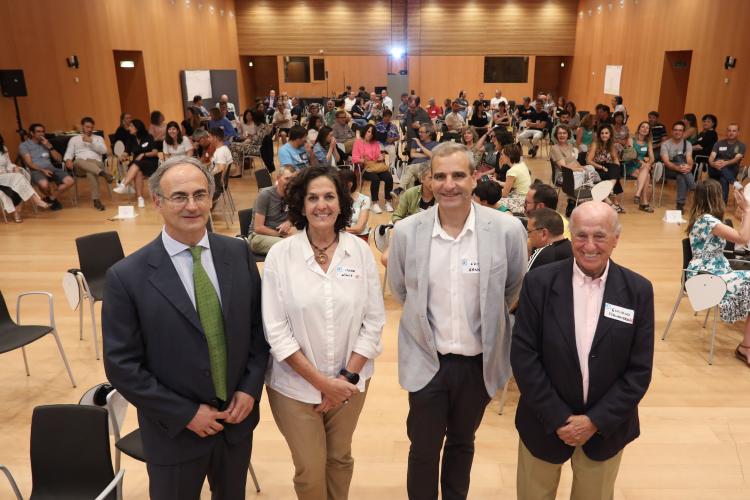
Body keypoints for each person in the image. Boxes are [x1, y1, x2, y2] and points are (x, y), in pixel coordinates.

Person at [103, 157, 269, 500]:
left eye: (199, 194)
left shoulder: (238, 253)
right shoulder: (126, 276)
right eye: (179, 196)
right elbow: (122, 365)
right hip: (174, 432)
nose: (191, 206)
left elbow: (258, 331)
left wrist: (250, 389)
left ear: (211, 198)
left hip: (235, 422)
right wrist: (185, 413)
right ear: (157, 203)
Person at [388, 141, 527, 500]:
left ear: (474, 178)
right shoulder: (406, 233)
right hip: (426, 361)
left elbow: (511, 287)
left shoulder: (507, 230)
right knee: (423, 448)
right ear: (429, 183)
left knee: (463, 443)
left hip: (478, 363)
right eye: (440, 176)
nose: (449, 184)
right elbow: (403, 291)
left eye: (458, 175)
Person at [511, 200, 654, 500]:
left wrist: (595, 421)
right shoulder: (539, 282)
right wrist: (558, 417)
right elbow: (524, 357)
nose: (590, 246)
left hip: (606, 430)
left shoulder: (638, 290)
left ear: (616, 239)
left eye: (600, 236)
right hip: (542, 423)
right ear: (570, 234)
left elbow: (638, 371)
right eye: (581, 235)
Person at [262, 165, 385, 500]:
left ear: (341, 203)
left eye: (329, 196)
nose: (321, 205)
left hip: (351, 382)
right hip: (295, 386)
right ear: (301, 205)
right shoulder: (280, 256)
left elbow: (373, 321)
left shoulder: (358, 251)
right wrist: (322, 383)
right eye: (313, 198)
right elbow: (276, 331)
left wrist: (344, 380)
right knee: (310, 467)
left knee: (339, 457)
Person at [686, 179, 750, 366]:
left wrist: (745, 212)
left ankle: (746, 345)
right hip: (705, 277)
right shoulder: (708, 220)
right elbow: (743, 238)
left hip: (713, 270)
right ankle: (746, 347)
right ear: (716, 197)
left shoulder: (705, 218)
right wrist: (747, 210)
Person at [63, 116, 113, 211]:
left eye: (91, 127)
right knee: (77, 161)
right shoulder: (74, 139)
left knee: (90, 171)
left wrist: (91, 141)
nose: (89, 129)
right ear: (82, 126)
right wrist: (68, 160)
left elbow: (104, 151)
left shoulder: (98, 138)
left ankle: (96, 200)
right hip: (80, 166)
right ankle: (103, 174)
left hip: (96, 163)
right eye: (87, 127)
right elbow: (69, 153)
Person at [19, 123, 73, 210]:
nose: (41, 134)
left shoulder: (47, 143)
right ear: (32, 133)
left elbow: (59, 159)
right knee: (44, 185)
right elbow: (29, 163)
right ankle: (52, 199)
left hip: (51, 168)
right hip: (35, 169)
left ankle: (51, 198)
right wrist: (42, 170)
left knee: (70, 181)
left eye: (43, 132)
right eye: (38, 132)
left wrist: (50, 147)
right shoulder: (24, 145)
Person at [0, 134, 50, 222]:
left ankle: (17, 212)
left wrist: (14, 167)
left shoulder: (3, 148)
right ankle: (36, 200)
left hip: (6, 176)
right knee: (20, 178)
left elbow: (8, 164)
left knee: (19, 178)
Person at [249, 166, 297, 255]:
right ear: (278, 178)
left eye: (293, 179)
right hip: (259, 237)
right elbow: (258, 228)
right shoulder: (265, 195)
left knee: (308, 240)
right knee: (291, 246)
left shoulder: (293, 194)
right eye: (287, 179)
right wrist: (282, 235)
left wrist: (289, 222)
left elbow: (297, 215)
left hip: (281, 235)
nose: (290, 182)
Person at [113, 118, 160, 208]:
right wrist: (122, 156)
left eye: (131, 126)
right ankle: (140, 198)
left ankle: (124, 184)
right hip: (137, 163)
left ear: (137, 128)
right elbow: (126, 152)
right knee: (138, 172)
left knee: (137, 164)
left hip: (150, 162)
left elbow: (155, 152)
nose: (129, 128)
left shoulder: (148, 137)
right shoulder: (130, 138)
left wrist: (143, 154)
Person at [353, 123, 394, 214]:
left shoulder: (375, 143)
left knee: (389, 178)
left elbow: (377, 156)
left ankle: (388, 201)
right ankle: (374, 203)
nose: (370, 134)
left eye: (372, 133)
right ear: (365, 131)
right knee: (376, 179)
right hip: (366, 168)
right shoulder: (358, 142)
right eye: (368, 132)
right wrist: (363, 160)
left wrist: (380, 157)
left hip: (376, 166)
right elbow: (354, 159)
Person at [588, 124, 624, 212]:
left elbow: (615, 159)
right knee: (615, 176)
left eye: (606, 133)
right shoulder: (595, 144)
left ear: (610, 135)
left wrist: (617, 167)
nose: (604, 135)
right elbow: (588, 161)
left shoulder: (611, 144)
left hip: (607, 167)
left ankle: (609, 191)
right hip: (596, 167)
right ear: (599, 135)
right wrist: (601, 167)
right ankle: (614, 202)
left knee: (615, 167)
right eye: (602, 133)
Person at [661, 121, 695, 211]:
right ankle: (694, 187)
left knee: (681, 176)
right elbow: (666, 162)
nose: (677, 132)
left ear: (683, 132)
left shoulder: (687, 144)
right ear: (672, 131)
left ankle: (680, 205)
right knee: (680, 161)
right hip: (669, 169)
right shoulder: (665, 144)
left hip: (683, 170)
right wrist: (678, 168)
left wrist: (690, 166)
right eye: (675, 130)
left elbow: (689, 158)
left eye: (680, 130)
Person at [708, 123, 745, 202]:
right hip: (715, 169)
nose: (731, 133)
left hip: (731, 169)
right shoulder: (719, 143)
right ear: (726, 132)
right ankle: (734, 182)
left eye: (734, 131)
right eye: (729, 130)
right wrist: (713, 164)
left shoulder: (741, 145)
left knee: (723, 179)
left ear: (738, 133)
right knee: (718, 160)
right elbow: (711, 157)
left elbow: (736, 159)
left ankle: (722, 204)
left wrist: (725, 163)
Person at [396, 125, 437, 194]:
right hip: (415, 168)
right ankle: (412, 201)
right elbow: (412, 155)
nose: (419, 134)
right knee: (410, 179)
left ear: (428, 133)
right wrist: (427, 154)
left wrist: (420, 145)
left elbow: (432, 156)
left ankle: (400, 188)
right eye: (419, 132)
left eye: (421, 132)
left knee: (410, 168)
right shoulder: (415, 141)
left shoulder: (435, 144)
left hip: (426, 168)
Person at [628, 121, 655, 212]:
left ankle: (638, 194)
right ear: (639, 128)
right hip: (630, 163)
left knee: (646, 173)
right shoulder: (631, 139)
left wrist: (648, 163)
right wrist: (642, 163)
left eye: (647, 128)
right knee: (647, 175)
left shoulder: (648, 142)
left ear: (649, 131)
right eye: (643, 127)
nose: (644, 129)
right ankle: (644, 203)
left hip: (642, 166)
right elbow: (631, 154)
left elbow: (652, 158)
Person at [498, 144, 531, 214]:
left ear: (509, 156)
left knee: (494, 202)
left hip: (520, 200)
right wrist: (497, 182)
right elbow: (513, 184)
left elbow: (504, 194)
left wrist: (492, 191)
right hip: (526, 197)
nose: (501, 157)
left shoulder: (512, 171)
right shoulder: (522, 164)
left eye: (502, 154)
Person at [339, 168, 371, 238]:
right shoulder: (335, 199)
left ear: (350, 185)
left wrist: (337, 229)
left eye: (339, 184)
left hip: (359, 237)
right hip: (339, 237)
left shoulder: (364, 199)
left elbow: (359, 228)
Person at [374, 109, 400, 174]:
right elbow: (375, 136)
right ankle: (379, 168)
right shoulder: (377, 125)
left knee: (392, 152)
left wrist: (393, 139)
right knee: (378, 151)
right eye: (386, 116)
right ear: (383, 116)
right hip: (380, 143)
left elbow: (398, 137)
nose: (388, 118)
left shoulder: (393, 126)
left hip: (390, 144)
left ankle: (392, 169)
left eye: (389, 117)